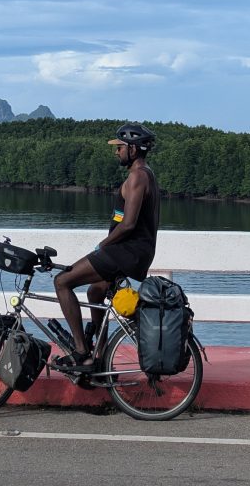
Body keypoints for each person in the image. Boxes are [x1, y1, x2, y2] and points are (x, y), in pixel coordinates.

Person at [53, 122, 160, 371]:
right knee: (95, 292)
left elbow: (128, 224)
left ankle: (81, 350)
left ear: (133, 149)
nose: (116, 152)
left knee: (62, 281)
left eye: (120, 147)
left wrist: (101, 246)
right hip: (133, 252)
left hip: (126, 251)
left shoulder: (137, 177)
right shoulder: (146, 174)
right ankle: (99, 357)